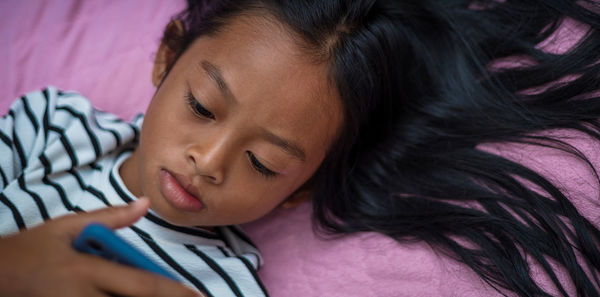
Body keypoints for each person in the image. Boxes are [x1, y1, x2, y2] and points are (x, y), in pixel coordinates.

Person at [1, 0, 600, 296]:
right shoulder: (49, 126)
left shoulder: (225, 286)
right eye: (203, 107)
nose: (208, 163)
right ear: (167, 56)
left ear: (302, 189)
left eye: (264, 163)